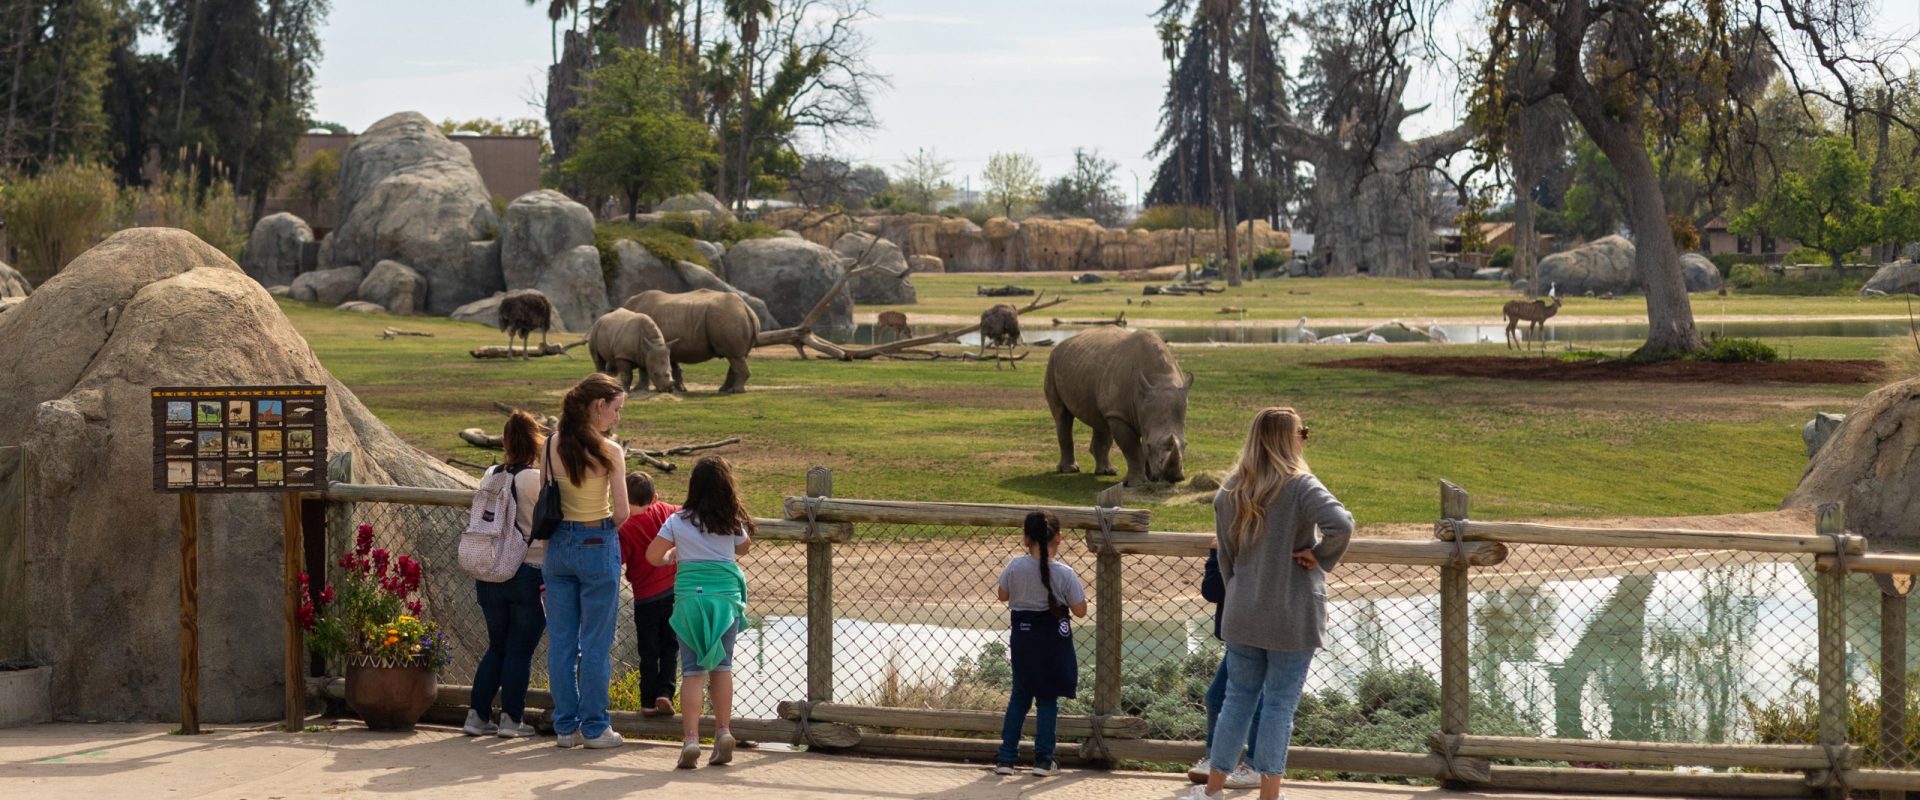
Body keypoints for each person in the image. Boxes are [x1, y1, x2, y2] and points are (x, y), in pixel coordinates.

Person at [1184, 407, 1353, 800]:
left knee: (1236, 702)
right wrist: (1321, 557)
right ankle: (1269, 795)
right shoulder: (1300, 486)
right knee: (1279, 705)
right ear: (1288, 439)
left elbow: (1225, 560)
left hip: (1243, 613)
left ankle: (1211, 792)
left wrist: (1242, 594)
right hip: (1292, 615)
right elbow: (1341, 524)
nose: (1304, 438)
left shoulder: (1230, 491)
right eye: (1302, 432)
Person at [646, 456, 753, 769]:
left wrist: (672, 556)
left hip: (690, 599)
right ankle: (723, 731)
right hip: (725, 599)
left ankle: (691, 739)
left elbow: (653, 555)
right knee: (723, 666)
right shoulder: (730, 518)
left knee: (692, 672)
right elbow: (743, 548)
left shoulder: (678, 520)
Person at [544, 374, 631, 750]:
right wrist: (603, 528)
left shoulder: (550, 444)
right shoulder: (610, 451)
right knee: (595, 642)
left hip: (558, 544)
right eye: (616, 409)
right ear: (599, 405)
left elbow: (548, 497)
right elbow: (624, 512)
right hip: (597, 539)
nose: (617, 417)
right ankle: (595, 727)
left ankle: (565, 727)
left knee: (561, 641)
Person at [464, 411, 548, 739]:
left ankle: (477, 714)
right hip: (527, 568)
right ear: (535, 440)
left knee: (496, 646)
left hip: (490, 569)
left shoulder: (490, 474)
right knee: (519, 650)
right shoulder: (534, 479)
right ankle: (511, 718)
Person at [993, 511, 1088, 778]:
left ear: (1025, 538)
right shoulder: (1065, 574)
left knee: (1019, 697)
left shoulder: (1014, 566)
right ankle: (1043, 760)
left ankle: (1006, 758)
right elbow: (1080, 610)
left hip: (1024, 638)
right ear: (1059, 537)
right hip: (1053, 643)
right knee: (1047, 700)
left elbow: (1002, 595)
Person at [1186, 543, 1261, 789]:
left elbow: (1213, 590)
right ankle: (1218, 761)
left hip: (1258, 634)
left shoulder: (1252, 547)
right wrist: (1216, 554)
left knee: (1257, 702)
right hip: (1239, 635)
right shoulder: (1232, 546)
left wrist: (1216, 554)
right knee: (1219, 698)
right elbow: (1213, 590)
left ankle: (1253, 766)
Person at [616, 470, 681, 718]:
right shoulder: (664, 511)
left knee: (648, 651)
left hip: (645, 598)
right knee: (670, 645)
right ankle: (665, 692)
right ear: (654, 496)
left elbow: (619, 559)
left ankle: (647, 701)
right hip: (672, 591)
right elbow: (684, 512)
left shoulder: (624, 529)